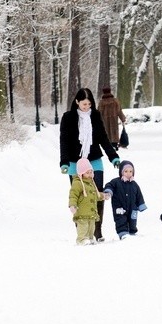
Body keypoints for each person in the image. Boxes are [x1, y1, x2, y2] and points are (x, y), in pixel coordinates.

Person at [60, 88, 120, 242]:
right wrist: (64, 162)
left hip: (94, 160)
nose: (87, 107)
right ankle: (82, 230)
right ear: (77, 102)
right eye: (84, 104)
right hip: (75, 162)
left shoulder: (95, 115)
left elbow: (103, 138)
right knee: (80, 195)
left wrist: (113, 156)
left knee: (96, 194)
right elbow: (64, 141)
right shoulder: (68, 117)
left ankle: (97, 230)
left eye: (89, 104)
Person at [103, 160, 147, 239]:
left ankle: (132, 232)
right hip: (120, 207)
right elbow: (109, 185)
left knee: (132, 220)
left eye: (130, 171)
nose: (128, 173)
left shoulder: (134, 184)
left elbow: (139, 195)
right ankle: (123, 233)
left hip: (132, 207)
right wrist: (108, 192)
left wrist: (141, 205)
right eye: (126, 171)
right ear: (121, 172)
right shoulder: (116, 182)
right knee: (121, 220)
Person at [68, 158, 105, 245]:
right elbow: (73, 195)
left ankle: (90, 237)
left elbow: (95, 195)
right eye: (87, 173)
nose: (90, 174)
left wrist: (103, 196)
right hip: (82, 211)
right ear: (81, 173)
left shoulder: (91, 183)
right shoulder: (77, 183)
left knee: (91, 227)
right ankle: (81, 239)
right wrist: (72, 205)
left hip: (91, 211)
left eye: (91, 172)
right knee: (83, 226)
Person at [98, 86, 127, 150]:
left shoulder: (101, 102)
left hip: (104, 120)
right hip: (114, 120)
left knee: (106, 132)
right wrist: (123, 118)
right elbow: (119, 110)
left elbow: (99, 112)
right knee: (114, 132)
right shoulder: (115, 101)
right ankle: (115, 145)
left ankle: (108, 146)